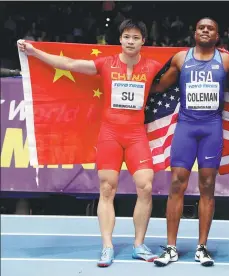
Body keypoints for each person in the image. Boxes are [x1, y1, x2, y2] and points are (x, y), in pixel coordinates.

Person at [17, 20, 163, 267]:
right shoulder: (106, 64)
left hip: (136, 135)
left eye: (136, 37)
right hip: (110, 134)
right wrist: (34, 51)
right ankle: (107, 246)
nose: (130, 41)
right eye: (126, 36)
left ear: (143, 42)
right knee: (107, 188)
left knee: (146, 187)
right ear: (120, 39)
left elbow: (185, 68)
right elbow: (70, 64)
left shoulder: (153, 66)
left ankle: (139, 244)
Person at [150, 17, 229, 267]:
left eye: (210, 28)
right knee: (176, 184)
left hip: (211, 129)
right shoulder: (181, 58)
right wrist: (132, 79)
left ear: (217, 35)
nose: (205, 31)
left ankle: (202, 247)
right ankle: (171, 247)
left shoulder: (225, 60)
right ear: (195, 33)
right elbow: (159, 86)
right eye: (201, 28)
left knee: (207, 185)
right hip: (186, 128)